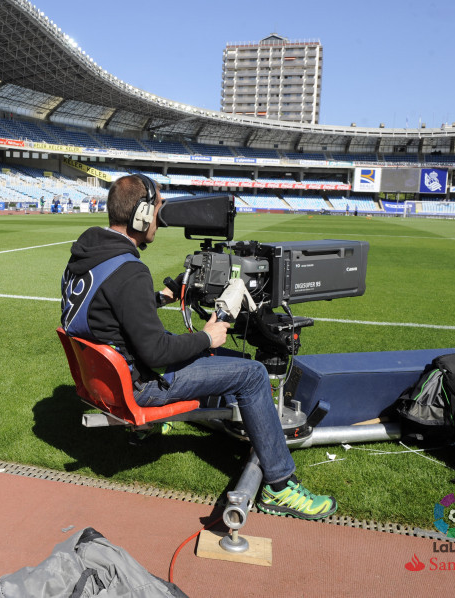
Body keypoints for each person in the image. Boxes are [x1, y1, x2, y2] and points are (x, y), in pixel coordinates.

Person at [60, 174, 336, 520]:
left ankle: (152, 430)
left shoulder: (87, 257)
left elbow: (108, 309)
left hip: (106, 378)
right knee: (251, 373)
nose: (159, 220)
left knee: (229, 360)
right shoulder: (130, 271)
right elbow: (157, 353)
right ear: (142, 215)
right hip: (141, 384)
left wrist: (162, 296)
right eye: (157, 209)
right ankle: (280, 485)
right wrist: (207, 336)